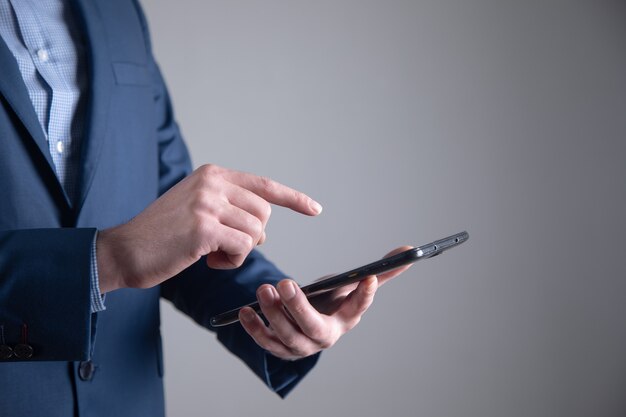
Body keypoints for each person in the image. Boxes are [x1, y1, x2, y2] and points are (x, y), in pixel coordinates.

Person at [0, 1, 410, 416]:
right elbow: (132, 247)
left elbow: (168, 222)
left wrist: (280, 310)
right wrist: (107, 257)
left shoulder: (118, 10)